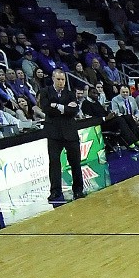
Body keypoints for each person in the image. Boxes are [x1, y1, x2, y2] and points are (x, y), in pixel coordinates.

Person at [39, 68, 85, 204]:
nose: (61, 82)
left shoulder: (70, 93)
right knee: (54, 163)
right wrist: (65, 108)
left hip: (70, 133)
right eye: (58, 79)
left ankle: (78, 189)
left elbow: (74, 110)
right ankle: (55, 191)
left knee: (75, 163)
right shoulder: (45, 92)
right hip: (54, 134)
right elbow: (46, 109)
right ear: (53, 78)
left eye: (63, 79)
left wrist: (57, 106)